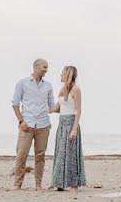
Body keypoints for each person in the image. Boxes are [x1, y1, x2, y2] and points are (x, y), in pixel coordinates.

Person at [11, 58, 54, 190]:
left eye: (47, 67)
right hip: (26, 125)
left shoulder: (48, 86)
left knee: (40, 156)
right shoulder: (22, 83)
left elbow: (52, 106)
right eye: (44, 67)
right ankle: (17, 185)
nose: (46, 70)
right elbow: (15, 104)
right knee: (21, 154)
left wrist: (68, 104)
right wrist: (21, 121)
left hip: (43, 125)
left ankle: (38, 185)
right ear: (36, 67)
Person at [50, 65, 85, 190]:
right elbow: (57, 108)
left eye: (62, 73)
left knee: (71, 155)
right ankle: (60, 183)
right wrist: (42, 110)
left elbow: (78, 109)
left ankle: (73, 184)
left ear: (68, 74)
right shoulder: (62, 90)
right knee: (60, 153)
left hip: (71, 124)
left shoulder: (76, 90)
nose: (60, 76)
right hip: (61, 124)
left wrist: (74, 128)